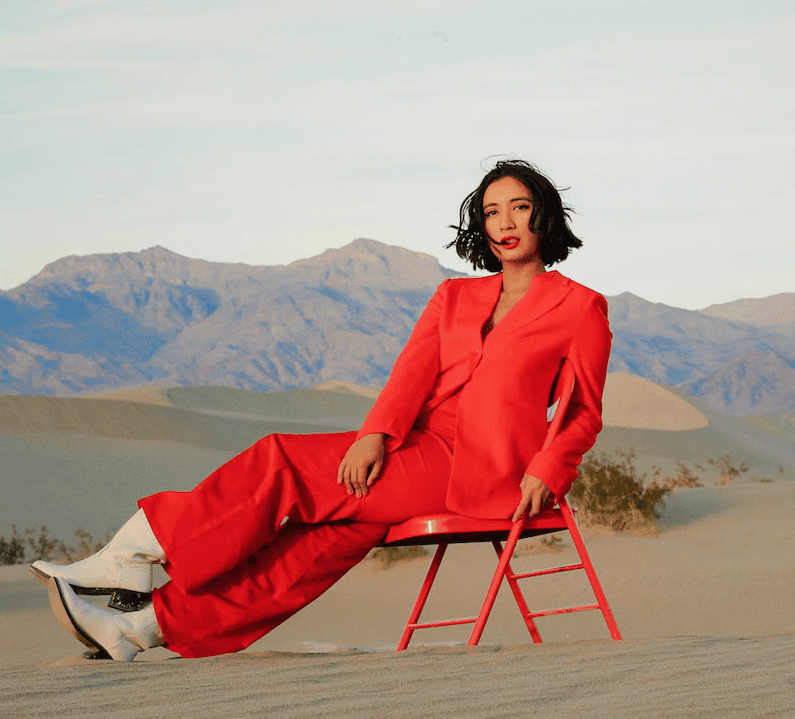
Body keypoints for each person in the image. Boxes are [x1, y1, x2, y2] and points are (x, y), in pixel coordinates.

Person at [32, 159, 612, 661]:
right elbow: (410, 374)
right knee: (324, 541)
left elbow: (583, 409)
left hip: (486, 470)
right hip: (417, 447)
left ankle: (133, 554)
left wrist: (549, 468)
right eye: (491, 212)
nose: (504, 223)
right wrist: (374, 434)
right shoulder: (454, 296)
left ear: (544, 215)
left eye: (518, 208)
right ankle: (141, 627)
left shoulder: (580, 308)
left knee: (281, 459)